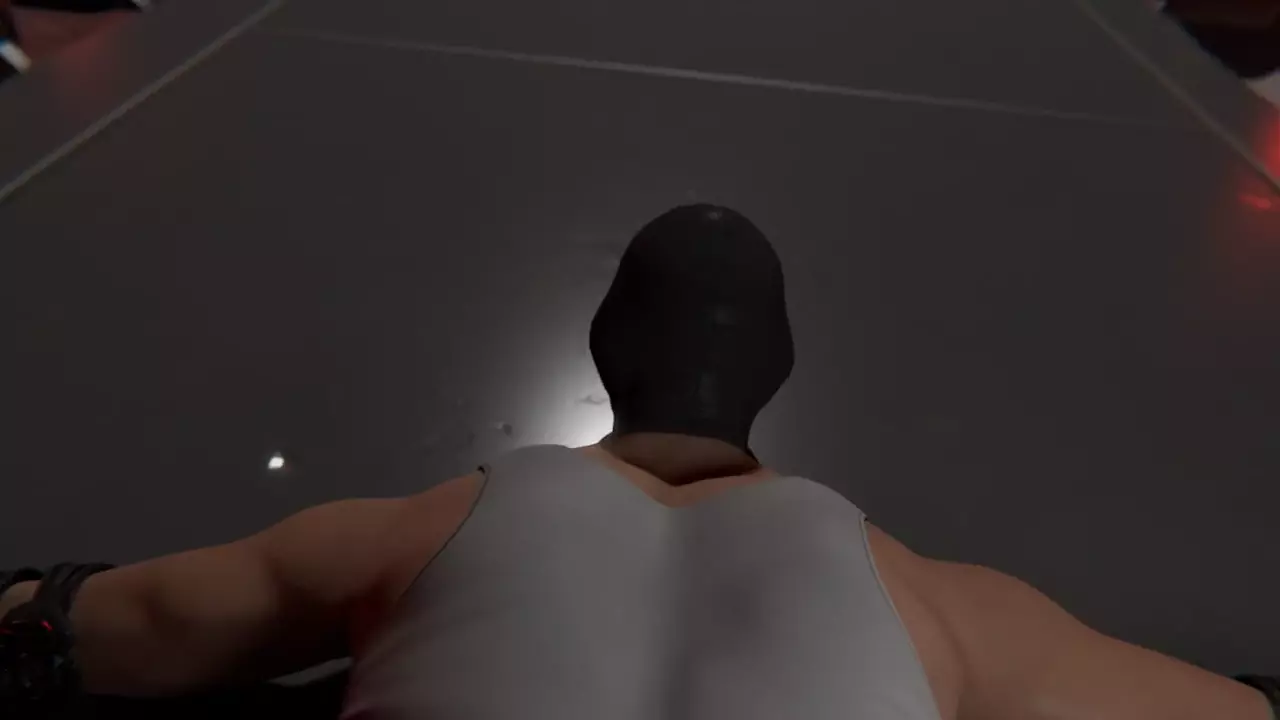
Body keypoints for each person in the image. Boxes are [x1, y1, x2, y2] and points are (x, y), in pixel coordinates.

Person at [1, 205, 1276, 720]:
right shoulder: (946, 609)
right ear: (774, 373)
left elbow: (84, 630)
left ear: (607, 350)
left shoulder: (412, 532)